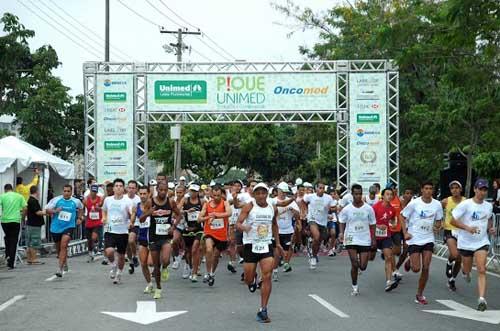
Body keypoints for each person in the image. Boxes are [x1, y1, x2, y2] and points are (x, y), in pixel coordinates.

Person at [237, 183, 280, 323]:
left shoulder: (272, 208)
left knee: (267, 275)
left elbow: (274, 225)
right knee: (248, 279)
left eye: (263, 193)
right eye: (258, 193)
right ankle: (253, 280)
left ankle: (263, 310)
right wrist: (244, 227)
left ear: (267, 194)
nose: (261, 195)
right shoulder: (249, 206)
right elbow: (238, 223)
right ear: (254, 194)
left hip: (266, 244)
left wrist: (277, 243)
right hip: (250, 244)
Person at [451, 178, 495, 311]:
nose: (482, 192)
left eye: (485, 190)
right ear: (475, 189)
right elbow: (453, 220)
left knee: (482, 269)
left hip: (481, 242)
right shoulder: (466, 204)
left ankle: (481, 299)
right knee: (467, 269)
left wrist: (490, 228)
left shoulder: (488, 206)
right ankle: (465, 272)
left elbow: (488, 219)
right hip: (466, 243)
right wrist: (467, 228)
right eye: (480, 189)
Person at [401, 181, 443, 305]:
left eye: (431, 188)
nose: (428, 191)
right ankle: (410, 261)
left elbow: (438, 221)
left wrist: (437, 226)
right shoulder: (414, 203)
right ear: (422, 190)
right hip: (414, 238)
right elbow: (402, 217)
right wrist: (405, 234)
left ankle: (419, 294)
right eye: (426, 188)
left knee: (425, 267)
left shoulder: (437, 205)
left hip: (428, 239)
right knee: (416, 269)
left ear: (433, 190)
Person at [140, 182, 181, 299]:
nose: (163, 192)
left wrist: (173, 227)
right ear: (157, 189)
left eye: (165, 190)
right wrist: (149, 212)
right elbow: (141, 219)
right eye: (161, 190)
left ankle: (166, 267)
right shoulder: (150, 202)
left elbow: (179, 215)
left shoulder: (171, 202)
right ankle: (158, 287)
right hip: (153, 237)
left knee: (166, 259)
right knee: (155, 265)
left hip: (166, 237)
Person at [338, 184, 376, 296]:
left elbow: (373, 223)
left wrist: (373, 238)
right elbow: (341, 221)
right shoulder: (347, 209)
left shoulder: (368, 209)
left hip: (364, 238)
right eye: (356, 194)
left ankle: (359, 266)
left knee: (363, 266)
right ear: (352, 194)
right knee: (354, 264)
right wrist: (341, 232)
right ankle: (354, 287)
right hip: (351, 238)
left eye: (360, 194)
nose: (358, 196)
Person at [102, 178, 135, 285]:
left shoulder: (128, 201)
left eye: (120, 186)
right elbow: (104, 210)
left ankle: (119, 274)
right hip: (110, 230)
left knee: (121, 256)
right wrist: (104, 218)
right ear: (113, 188)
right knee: (109, 251)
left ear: (123, 188)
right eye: (116, 186)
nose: (118, 188)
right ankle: (113, 265)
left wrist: (131, 221)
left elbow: (132, 214)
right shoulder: (108, 200)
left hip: (123, 231)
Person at [46, 184, 84, 277]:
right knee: (59, 249)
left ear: (71, 192)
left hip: (69, 226)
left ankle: (60, 269)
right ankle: (64, 262)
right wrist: (55, 211)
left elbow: (81, 208)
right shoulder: (56, 200)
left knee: (64, 245)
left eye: (68, 191)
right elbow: (47, 210)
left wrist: (79, 218)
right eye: (65, 191)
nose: (66, 193)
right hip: (56, 227)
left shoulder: (76, 201)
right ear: (62, 191)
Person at [198, 185, 232, 286]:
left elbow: (229, 213)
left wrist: (216, 215)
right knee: (209, 249)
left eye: (218, 195)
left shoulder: (225, 203)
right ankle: (208, 273)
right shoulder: (206, 204)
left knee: (216, 256)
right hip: (210, 233)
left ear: (221, 194)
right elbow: (199, 218)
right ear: (211, 195)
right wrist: (208, 216)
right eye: (214, 195)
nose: (216, 197)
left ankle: (212, 273)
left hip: (222, 235)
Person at [301, 182, 337, 269]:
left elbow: (334, 208)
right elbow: (303, 201)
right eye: (320, 188)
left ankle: (313, 254)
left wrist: (329, 209)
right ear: (316, 189)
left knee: (319, 241)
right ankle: (313, 256)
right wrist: (304, 211)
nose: (322, 190)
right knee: (316, 237)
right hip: (312, 219)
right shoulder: (310, 196)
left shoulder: (328, 198)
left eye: (323, 188)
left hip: (323, 222)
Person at [371, 188, 399, 291]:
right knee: (370, 258)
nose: (390, 196)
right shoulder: (375, 207)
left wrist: (393, 223)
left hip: (386, 236)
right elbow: (369, 221)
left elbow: (392, 219)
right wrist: (378, 226)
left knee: (388, 256)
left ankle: (388, 281)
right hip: (374, 236)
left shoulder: (392, 209)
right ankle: (360, 261)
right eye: (387, 194)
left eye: (391, 194)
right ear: (382, 196)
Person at [272, 182, 300, 280]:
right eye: (282, 191)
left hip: (288, 230)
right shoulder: (273, 201)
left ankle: (286, 263)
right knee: (276, 252)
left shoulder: (291, 202)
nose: (283, 194)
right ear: (278, 191)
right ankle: (275, 271)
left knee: (288, 249)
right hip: (276, 231)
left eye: (285, 192)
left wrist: (293, 211)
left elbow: (298, 216)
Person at [441, 180, 465, 291]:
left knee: (459, 259)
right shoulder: (446, 201)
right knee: (455, 254)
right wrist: (440, 221)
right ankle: (450, 261)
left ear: (460, 189)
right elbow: (437, 209)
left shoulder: (466, 201)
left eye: (457, 187)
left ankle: (452, 280)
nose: (454, 190)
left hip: (462, 231)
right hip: (449, 230)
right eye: (452, 188)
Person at [0, 184, 27, 269]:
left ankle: (7, 254)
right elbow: (25, 208)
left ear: (5, 189)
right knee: (14, 241)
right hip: (15, 220)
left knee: (7, 237)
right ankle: (11, 262)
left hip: (4, 220)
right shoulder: (19, 196)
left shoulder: (2, 196)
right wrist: (22, 218)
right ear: (12, 189)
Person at [227, 180, 252, 273]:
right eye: (235, 186)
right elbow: (228, 203)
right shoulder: (229, 195)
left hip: (241, 222)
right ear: (232, 187)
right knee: (232, 242)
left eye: (239, 186)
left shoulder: (245, 195)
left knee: (242, 244)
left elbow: (240, 204)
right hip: (231, 221)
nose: (237, 187)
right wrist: (233, 198)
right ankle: (232, 262)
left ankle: (243, 258)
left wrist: (236, 199)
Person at [182, 184, 204, 281]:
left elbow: (206, 211)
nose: (193, 193)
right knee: (188, 252)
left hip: (198, 228)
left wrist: (201, 216)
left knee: (195, 249)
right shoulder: (185, 200)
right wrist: (187, 211)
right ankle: (190, 267)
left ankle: (194, 273)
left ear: (198, 192)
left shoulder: (202, 201)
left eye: (195, 191)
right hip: (187, 228)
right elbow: (177, 211)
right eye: (191, 191)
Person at [136, 186, 154, 294]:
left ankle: (157, 269)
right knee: (143, 263)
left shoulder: (153, 205)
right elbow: (134, 219)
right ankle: (149, 284)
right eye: (141, 194)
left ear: (149, 194)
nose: (142, 196)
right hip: (142, 237)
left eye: (144, 194)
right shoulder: (136, 207)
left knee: (150, 262)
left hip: (152, 237)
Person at [83, 184, 103, 262]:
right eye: (92, 191)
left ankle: (96, 243)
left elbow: (103, 207)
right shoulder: (86, 200)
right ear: (90, 191)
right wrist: (82, 217)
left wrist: (99, 208)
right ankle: (90, 253)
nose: (93, 193)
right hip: (89, 221)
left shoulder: (100, 199)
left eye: (95, 191)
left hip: (97, 221)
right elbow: (83, 209)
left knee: (94, 237)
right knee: (89, 240)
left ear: (97, 192)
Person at [26, 185, 46, 265]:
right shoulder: (33, 201)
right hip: (35, 224)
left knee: (30, 242)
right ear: (36, 191)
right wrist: (46, 212)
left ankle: (29, 259)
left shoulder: (30, 200)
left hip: (31, 223)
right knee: (34, 241)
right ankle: (34, 259)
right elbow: (37, 212)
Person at [126, 180, 141, 274]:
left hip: (135, 223)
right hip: (123, 224)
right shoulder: (123, 198)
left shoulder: (138, 199)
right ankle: (131, 262)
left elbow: (139, 213)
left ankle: (135, 256)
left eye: (133, 188)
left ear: (136, 189)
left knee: (131, 240)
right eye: (129, 188)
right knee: (127, 245)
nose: (131, 190)